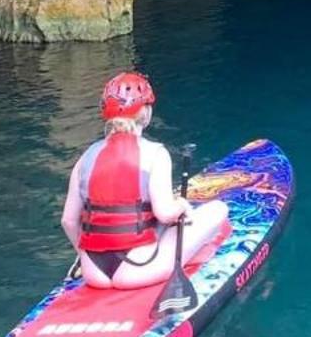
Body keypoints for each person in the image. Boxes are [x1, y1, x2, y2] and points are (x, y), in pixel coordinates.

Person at [61, 72, 228, 291]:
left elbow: (68, 221)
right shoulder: (155, 153)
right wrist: (181, 206)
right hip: (139, 268)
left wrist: (83, 257)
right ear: (146, 114)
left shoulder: (85, 158)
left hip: (95, 273)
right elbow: (165, 213)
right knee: (218, 209)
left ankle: (91, 265)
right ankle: (196, 254)